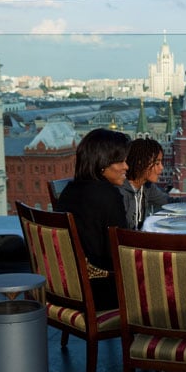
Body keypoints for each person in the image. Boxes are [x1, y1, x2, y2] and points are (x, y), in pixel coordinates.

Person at [56, 128, 130, 310]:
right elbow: (121, 251)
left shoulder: (69, 191)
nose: (126, 167)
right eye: (120, 161)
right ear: (102, 163)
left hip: (69, 289)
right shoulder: (108, 196)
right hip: (102, 293)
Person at [121, 137, 186, 229]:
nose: (162, 168)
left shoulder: (147, 187)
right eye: (157, 163)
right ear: (140, 163)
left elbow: (172, 203)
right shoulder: (120, 192)